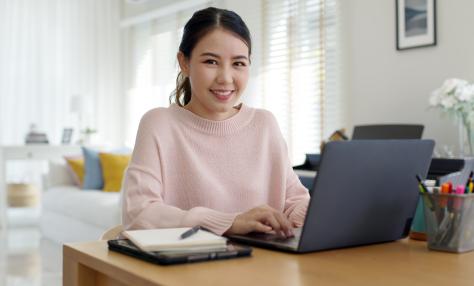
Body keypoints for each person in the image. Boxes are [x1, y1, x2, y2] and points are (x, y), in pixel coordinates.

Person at [122, 7, 309, 238]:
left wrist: (333, 207)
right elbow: (138, 214)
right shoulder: (159, 124)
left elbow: (295, 202)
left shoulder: (265, 124)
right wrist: (229, 222)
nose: (225, 78)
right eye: (211, 61)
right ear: (184, 62)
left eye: (238, 63)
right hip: (189, 269)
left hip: (264, 266)